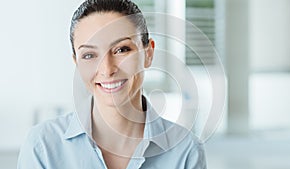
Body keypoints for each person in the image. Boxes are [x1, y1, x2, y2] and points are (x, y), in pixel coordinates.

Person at [17, 0, 207, 168]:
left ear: (148, 53)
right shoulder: (43, 146)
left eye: (121, 50)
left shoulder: (186, 151)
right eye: (89, 55)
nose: (107, 69)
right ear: (77, 63)